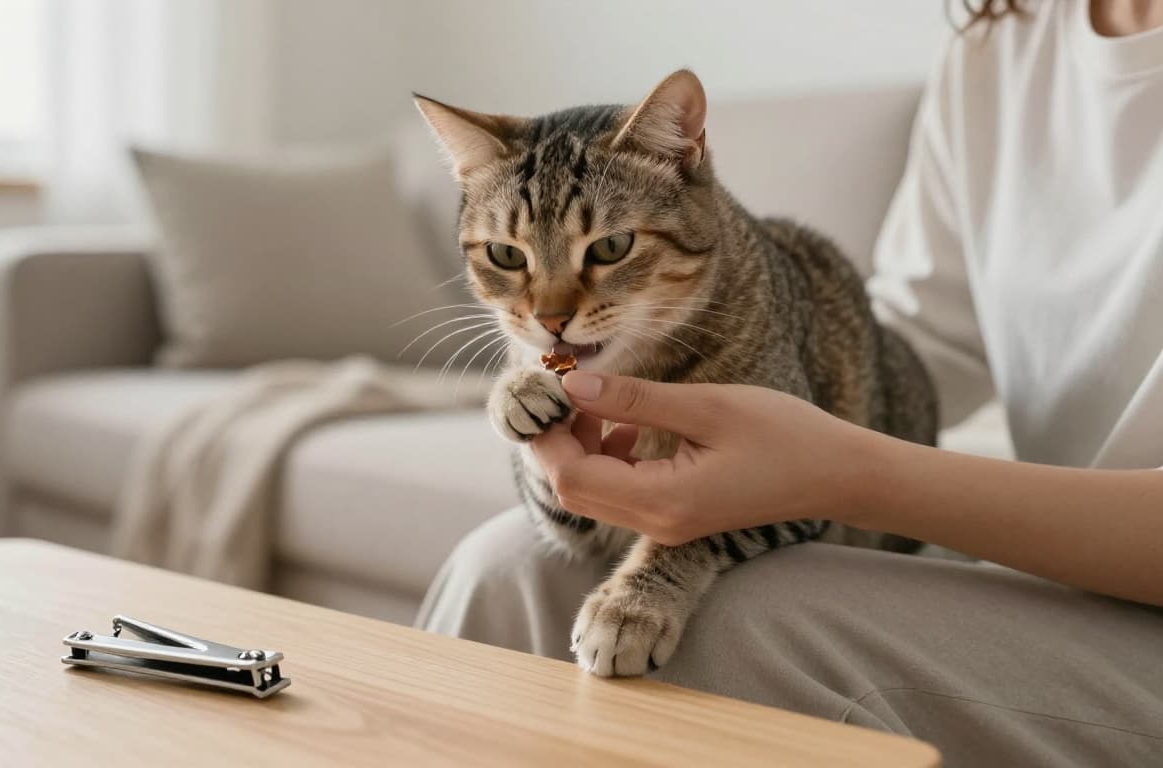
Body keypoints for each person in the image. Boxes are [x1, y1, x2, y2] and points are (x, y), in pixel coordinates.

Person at [417, 1, 1163, 764]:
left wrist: (842, 471)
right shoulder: (1007, 33)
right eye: (508, 261)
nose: (551, 309)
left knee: (738, 625)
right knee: (504, 567)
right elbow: (926, 338)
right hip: (1046, 569)